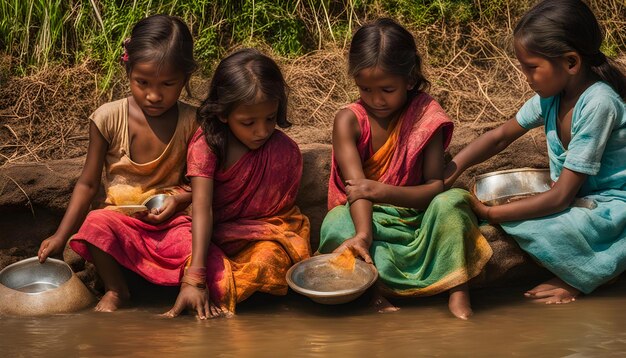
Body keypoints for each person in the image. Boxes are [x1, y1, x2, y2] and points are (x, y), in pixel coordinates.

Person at [445, 0, 626, 304]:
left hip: (613, 205)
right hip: (581, 199)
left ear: (571, 62)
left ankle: (585, 275)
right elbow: (500, 136)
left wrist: (491, 213)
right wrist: (450, 170)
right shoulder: (552, 96)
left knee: (537, 221)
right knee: (525, 212)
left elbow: (560, 198)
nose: (526, 77)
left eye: (531, 68)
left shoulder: (598, 103)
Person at [317, 18, 493, 320]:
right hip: (372, 220)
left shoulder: (427, 117)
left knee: (452, 203)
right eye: (365, 89)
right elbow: (356, 190)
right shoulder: (348, 121)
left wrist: (380, 190)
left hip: (421, 218)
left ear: (410, 80)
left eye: (387, 89)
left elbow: (435, 187)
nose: (376, 99)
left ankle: (458, 288)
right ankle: (372, 288)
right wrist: (362, 235)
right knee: (335, 222)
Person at [37, 14, 199, 312]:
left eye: (167, 84)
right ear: (128, 71)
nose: (153, 94)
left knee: (197, 240)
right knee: (95, 224)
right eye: (142, 82)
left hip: (171, 219)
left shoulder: (192, 122)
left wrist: (178, 200)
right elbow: (87, 183)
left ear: (185, 79)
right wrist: (60, 236)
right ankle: (116, 290)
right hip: (120, 219)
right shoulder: (107, 118)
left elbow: (199, 183)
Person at [162, 48, 311, 319]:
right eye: (248, 122)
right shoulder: (207, 145)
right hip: (208, 231)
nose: (262, 131)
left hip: (258, 235)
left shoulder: (283, 151)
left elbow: (279, 217)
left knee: (269, 260)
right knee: (186, 255)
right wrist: (195, 278)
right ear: (222, 114)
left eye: (269, 118)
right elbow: (202, 209)